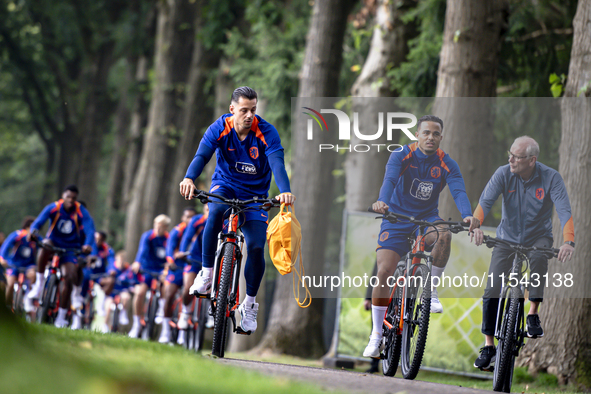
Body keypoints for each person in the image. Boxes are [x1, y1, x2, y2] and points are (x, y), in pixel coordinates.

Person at [179, 86, 295, 334]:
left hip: (255, 195)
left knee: (255, 245)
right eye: (244, 110)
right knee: (216, 211)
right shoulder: (219, 128)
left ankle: (250, 304)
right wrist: (189, 178)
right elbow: (202, 155)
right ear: (232, 110)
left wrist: (285, 190)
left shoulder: (266, 132)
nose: (249, 115)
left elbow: (277, 164)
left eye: (253, 110)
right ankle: (207, 273)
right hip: (225, 185)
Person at [363, 115, 480, 358]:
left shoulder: (447, 163)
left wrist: (467, 215)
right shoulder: (401, 155)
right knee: (384, 270)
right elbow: (390, 180)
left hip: (427, 218)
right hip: (396, 218)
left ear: (441, 137)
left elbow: (458, 190)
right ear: (417, 134)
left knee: (444, 234)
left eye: (436, 133)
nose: (430, 137)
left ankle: (431, 292)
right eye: (426, 132)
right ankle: (376, 336)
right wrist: (382, 202)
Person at [472, 136, 574, 370]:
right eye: (511, 154)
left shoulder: (551, 178)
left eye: (517, 157)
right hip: (506, 237)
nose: (511, 159)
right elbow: (485, 201)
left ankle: (533, 314)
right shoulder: (503, 173)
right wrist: (476, 225)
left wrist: (569, 241)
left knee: (539, 257)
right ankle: (488, 345)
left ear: (531, 160)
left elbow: (564, 210)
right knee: (492, 286)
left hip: (538, 236)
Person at [27, 185, 96, 328]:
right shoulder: (53, 207)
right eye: (68, 197)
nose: (71, 200)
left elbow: (90, 229)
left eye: (74, 198)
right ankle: (39, 284)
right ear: (63, 196)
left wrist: (88, 244)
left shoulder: (81, 211)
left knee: (70, 276)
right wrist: (34, 232)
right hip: (53, 243)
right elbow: (39, 222)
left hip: (70, 248)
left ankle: (62, 316)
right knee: (45, 244)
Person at [128, 214, 170, 339]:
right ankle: (136, 324)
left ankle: (161, 311)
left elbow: (170, 255)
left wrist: (166, 270)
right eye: (156, 224)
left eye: (161, 226)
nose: (157, 228)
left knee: (164, 289)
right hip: (147, 268)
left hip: (161, 270)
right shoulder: (147, 236)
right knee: (140, 293)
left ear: (166, 227)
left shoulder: (168, 238)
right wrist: (137, 262)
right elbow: (142, 250)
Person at [158, 207, 196, 344]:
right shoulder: (177, 231)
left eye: (192, 217)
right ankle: (165, 330)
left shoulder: (197, 230)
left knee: (190, 294)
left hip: (192, 267)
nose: (190, 220)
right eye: (187, 217)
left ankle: (183, 332)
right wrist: (171, 261)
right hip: (177, 268)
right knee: (169, 295)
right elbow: (169, 249)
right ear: (183, 218)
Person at [176, 205, 209, 344]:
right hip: (194, 258)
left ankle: (211, 314)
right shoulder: (197, 220)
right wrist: (182, 252)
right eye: (207, 207)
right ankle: (186, 311)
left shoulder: (222, 220)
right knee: (188, 286)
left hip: (212, 259)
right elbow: (187, 237)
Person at [1, 217, 37, 312]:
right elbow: (4, 248)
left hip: (29, 265)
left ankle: (28, 299)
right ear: (27, 227)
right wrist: (4, 260)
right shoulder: (17, 235)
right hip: (14, 264)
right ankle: (7, 307)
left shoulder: (36, 238)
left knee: (33, 276)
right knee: (10, 283)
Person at [103, 250, 134, 333]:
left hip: (122, 291)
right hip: (111, 292)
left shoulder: (128, 269)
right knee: (108, 306)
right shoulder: (111, 268)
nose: (121, 262)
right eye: (120, 260)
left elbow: (131, 280)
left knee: (126, 297)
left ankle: (123, 314)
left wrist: (131, 287)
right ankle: (105, 325)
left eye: (123, 260)